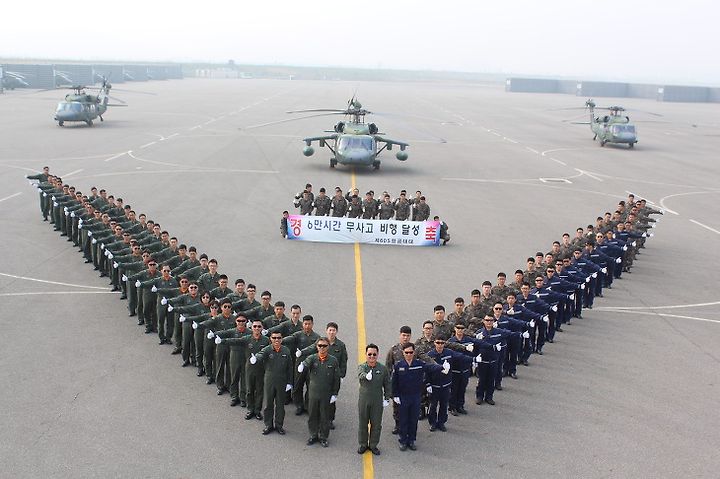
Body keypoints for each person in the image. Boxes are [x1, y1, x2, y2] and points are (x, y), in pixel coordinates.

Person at [391, 342, 445, 451]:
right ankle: (403, 441)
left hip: (415, 397)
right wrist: (395, 395)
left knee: (413, 420)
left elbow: (430, 367)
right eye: (407, 352)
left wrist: (442, 367)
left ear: (414, 352)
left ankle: (411, 440)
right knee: (403, 420)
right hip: (403, 397)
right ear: (403, 353)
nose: (409, 354)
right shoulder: (398, 366)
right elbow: (394, 382)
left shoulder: (419, 364)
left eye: (411, 352)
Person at [298, 338, 340, 447]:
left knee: (325, 416)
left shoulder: (333, 361)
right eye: (320, 345)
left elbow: (336, 379)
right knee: (312, 415)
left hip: (326, 394)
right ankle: (313, 435)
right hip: (313, 393)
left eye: (324, 346)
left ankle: (323, 437)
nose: (322, 348)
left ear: (328, 347)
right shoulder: (312, 358)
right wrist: (302, 365)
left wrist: (335, 393)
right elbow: (306, 363)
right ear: (317, 347)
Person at [254, 332, 293, 435]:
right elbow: (260, 354)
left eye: (279, 338)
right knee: (268, 404)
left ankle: (279, 425)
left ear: (282, 339)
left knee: (280, 405)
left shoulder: (286, 350)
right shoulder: (267, 349)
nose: (276, 340)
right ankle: (268, 425)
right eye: (274, 338)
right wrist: (256, 358)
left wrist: (290, 382)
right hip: (269, 380)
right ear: (270, 339)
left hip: (282, 380)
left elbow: (290, 368)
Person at [357, 343, 391, 456]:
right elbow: (360, 374)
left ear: (377, 355)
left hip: (377, 400)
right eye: (369, 354)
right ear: (366, 354)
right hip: (364, 400)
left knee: (376, 424)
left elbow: (387, 384)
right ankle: (363, 444)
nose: (372, 356)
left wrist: (387, 398)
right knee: (363, 423)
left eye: (374, 354)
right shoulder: (362, 367)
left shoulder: (382, 369)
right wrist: (366, 376)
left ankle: (373, 445)